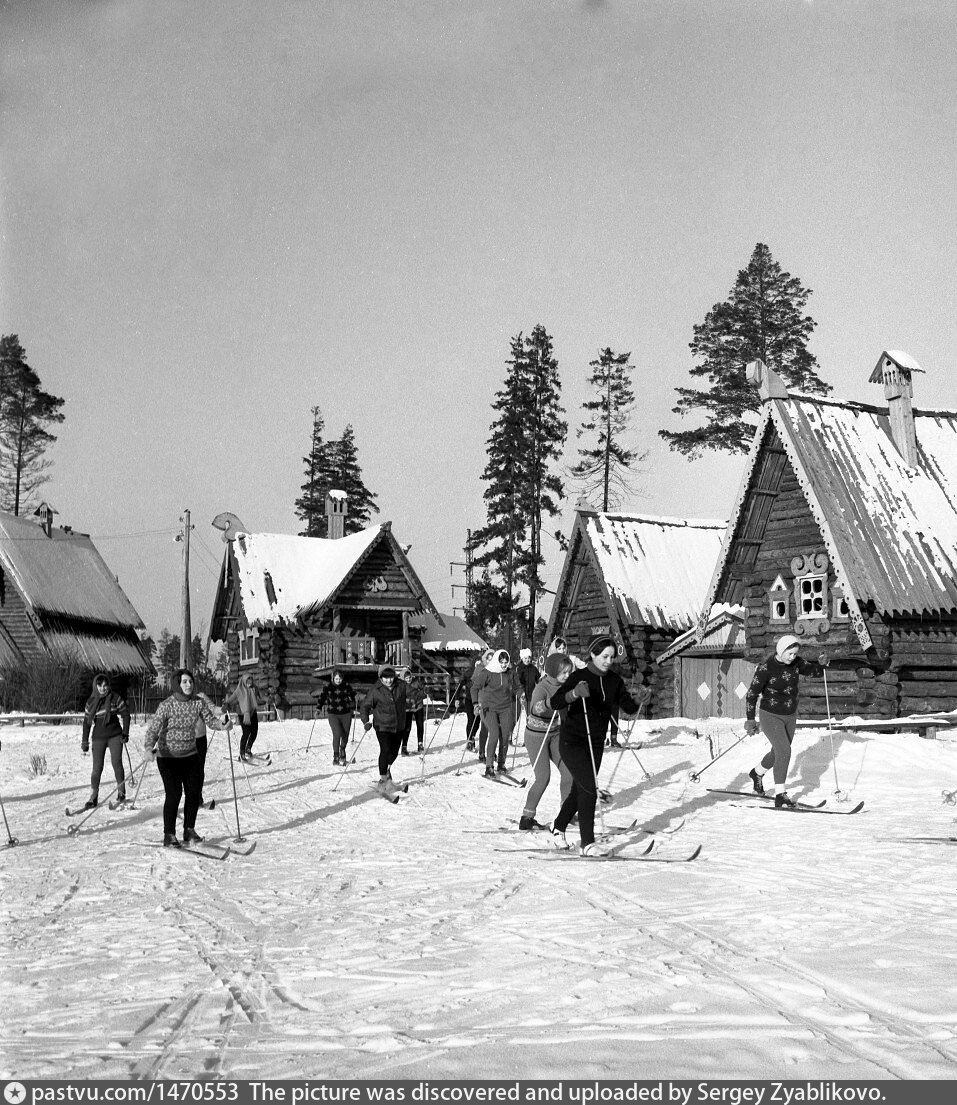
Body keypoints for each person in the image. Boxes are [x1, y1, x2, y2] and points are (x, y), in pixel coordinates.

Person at [546, 634, 649, 856]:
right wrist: (573, 694)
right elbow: (555, 702)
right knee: (589, 788)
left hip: (595, 743)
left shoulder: (614, 680)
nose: (608, 661)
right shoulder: (579, 677)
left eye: (612, 657)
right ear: (592, 654)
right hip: (572, 740)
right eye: (604, 656)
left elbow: (628, 707)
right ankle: (587, 843)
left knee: (580, 789)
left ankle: (559, 826)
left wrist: (640, 700)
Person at [144, 668, 232, 847]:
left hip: (190, 754)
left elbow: (210, 720)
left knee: (193, 792)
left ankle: (189, 830)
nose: (188, 685)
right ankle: (169, 834)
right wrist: (148, 748)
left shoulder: (198, 703)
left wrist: (222, 726)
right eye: (184, 682)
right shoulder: (166, 705)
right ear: (177, 684)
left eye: (190, 681)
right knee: (174, 793)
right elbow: (153, 729)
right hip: (168, 756)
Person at [744, 633, 830, 809]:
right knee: (784, 750)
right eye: (789, 654)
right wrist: (751, 720)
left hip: (790, 715)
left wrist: (822, 664)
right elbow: (752, 694)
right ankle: (780, 795)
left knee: (778, 752)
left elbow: (814, 671)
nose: (792, 657)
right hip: (770, 714)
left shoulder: (797, 663)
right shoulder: (766, 668)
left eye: (795, 654)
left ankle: (757, 773)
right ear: (781, 651)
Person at [518, 652, 573, 829]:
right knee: (543, 777)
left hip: (555, 734)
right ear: (552, 671)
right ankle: (527, 817)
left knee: (569, 772)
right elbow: (535, 708)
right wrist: (551, 703)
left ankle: (567, 812)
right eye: (563, 672)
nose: (567, 675)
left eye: (568, 672)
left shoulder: (566, 685)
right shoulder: (541, 688)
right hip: (536, 736)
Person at [80, 673, 131, 808]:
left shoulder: (115, 698)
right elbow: (86, 723)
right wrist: (84, 741)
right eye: (100, 686)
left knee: (116, 763)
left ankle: (121, 792)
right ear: (95, 686)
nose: (103, 688)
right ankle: (93, 797)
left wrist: (125, 733)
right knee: (97, 768)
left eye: (105, 685)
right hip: (98, 737)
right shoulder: (91, 702)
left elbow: (126, 715)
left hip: (115, 735)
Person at [360, 666, 408, 796]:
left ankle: (387, 772)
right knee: (385, 749)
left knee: (394, 753)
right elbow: (365, 706)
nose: (389, 680)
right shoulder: (375, 690)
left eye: (391, 677)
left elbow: (413, 691)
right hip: (382, 726)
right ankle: (383, 780)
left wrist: (424, 693)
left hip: (398, 725)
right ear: (381, 678)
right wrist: (365, 721)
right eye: (385, 677)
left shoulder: (401, 685)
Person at [472, 648, 520, 778]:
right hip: (489, 708)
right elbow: (474, 688)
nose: (504, 665)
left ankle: (501, 764)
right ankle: (489, 766)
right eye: (501, 662)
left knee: (505, 736)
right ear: (496, 661)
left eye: (506, 662)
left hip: (505, 707)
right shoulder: (487, 673)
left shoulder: (510, 673)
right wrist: (475, 703)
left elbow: (518, 687)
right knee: (494, 733)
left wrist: (521, 694)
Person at [315, 668, 357, 766]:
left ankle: (342, 749)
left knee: (345, 736)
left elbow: (353, 695)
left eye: (340, 679)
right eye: (336, 679)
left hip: (346, 713)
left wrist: (356, 696)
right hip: (333, 714)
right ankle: (336, 756)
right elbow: (322, 698)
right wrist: (318, 709)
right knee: (337, 733)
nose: (338, 681)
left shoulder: (346, 686)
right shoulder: (328, 687)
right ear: (333, 678)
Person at [225, 673, 260, 760]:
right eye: (247, 683)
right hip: (243, 714)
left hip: (253, 713)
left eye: (250, 682)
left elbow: (261, 697)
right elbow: (232, 698)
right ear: (244, 682)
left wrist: (269, 699)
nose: (249, 684)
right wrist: (226, 704)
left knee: (254, 732)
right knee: (246, 732)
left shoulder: (255, 688)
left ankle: (248, 748)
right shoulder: (239, 690)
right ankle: (242, 752)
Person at [469, 650, 494, 759]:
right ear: (485, 659)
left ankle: (491, 751)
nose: (490, 661)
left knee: (493, 729)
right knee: (484, 727)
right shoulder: (480, 668)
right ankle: (482, 751)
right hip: (482, 700)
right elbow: (475, 686)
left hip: (494, 701)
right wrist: (476, 703)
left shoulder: (497, 669)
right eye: (488, 659)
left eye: (492, 659)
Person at [399, 668, 426, 754]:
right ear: (403, 678)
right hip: (408, 707)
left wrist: (426, 692)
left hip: (418, 706)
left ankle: (420, 744)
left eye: (409, 677)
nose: (408, 679)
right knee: (407, 727)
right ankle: (404, 746)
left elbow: (423, 689)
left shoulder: (416, 682)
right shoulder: (401, 686)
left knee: (420, 724)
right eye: (406, 678)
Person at [516, 647, 540, 712]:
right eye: (525, 658)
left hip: (531, 694)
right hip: (522, 694)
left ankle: (529, 720)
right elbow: (517, 681)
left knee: (530, 710)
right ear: (522, 658)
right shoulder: (519, 668)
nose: (527, 660)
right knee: (522, 711)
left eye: (529, 658)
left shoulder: (533, 668)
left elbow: (538, 679)